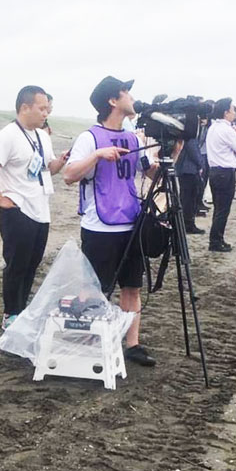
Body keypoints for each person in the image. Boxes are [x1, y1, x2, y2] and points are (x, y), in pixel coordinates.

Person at [62, 76, 157, 367]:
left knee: (132, 287)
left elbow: (148, 173)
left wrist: (163, 162)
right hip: (100, 226)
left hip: (131, 223)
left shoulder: (132, 138)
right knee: (96, 288)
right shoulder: (89, 138)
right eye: (125, 92)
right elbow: (69, 175)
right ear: (112, 101)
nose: (131, 97)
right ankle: (90, 338)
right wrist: (98, 155)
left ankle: (133, 344)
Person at [0, 85, 66, 329]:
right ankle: (10, 314)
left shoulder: (42, 136)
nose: (45, 114)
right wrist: (0, 199)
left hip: (41, 209)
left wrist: (61, 160)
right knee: (16, 264)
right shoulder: (9, 134)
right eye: (41, 109)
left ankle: (22, 309)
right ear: (24, 107)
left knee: (32, 263)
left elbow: (48, 167)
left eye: (47, 109)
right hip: (18, 210)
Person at [205, 97, 236, 252]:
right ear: (226, 112)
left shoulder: (213, 127)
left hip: (215, 171)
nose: (234, 112)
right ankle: (215, 241)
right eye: (233, 109)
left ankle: (217, 238)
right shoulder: (227, 129)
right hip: (225, 172)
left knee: (218, 208)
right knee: (223, 209)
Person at [174, 108, 206, 234]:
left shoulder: (184, 134)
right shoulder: (190, 136)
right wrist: (201, 164)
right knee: (189, 199)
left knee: (186, 197)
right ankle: (188, 224)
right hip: (189, 170)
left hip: (185, 170)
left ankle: (186, 223)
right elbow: (194, 152)